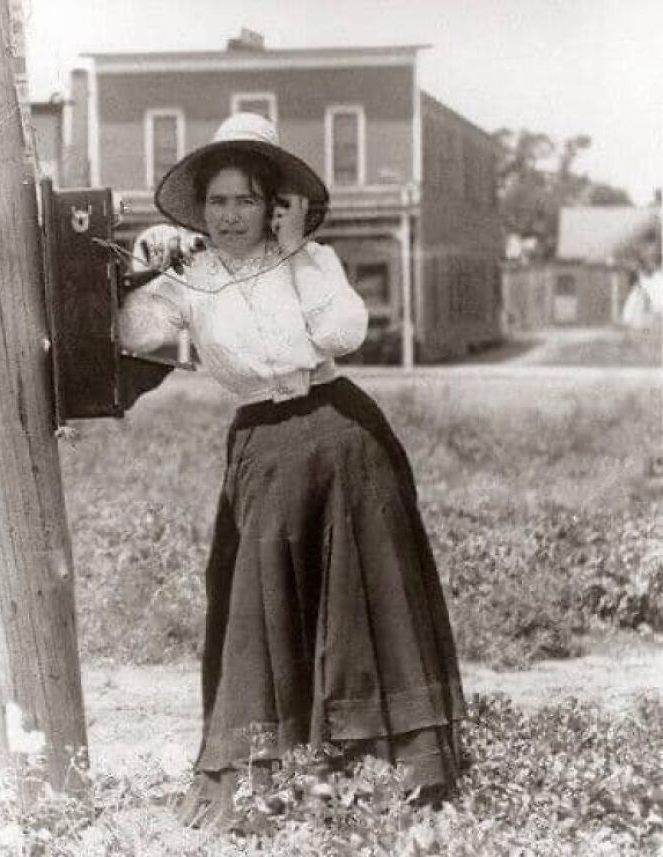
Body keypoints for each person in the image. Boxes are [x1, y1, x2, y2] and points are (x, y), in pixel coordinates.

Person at [118, 113, 466, 827]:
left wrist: (298, 250)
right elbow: (133, 331)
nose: (230, 216)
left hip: (344, 437)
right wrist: (144, 265)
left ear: (275, 203)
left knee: (365, 599)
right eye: (217, 201)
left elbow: (342, 333)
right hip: (264, 448)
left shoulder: (313, 261)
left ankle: (383, 772)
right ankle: (268, 778)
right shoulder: (192, 279)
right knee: (262, 603)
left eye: (246, 200)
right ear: (200, 209)